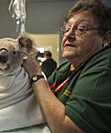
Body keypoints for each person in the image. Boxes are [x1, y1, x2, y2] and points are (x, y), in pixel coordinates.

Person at [22, 0, 111, 132]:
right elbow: (38, 98)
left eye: (82, 29)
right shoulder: (67, 68)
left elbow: (66, 128)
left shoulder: (105, 65)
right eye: (67, 29)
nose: (68, 35)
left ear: (106, 39)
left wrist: (35, 73)